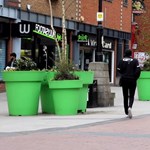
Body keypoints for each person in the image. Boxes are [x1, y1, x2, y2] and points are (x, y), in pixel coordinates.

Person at [117, 49, 141, 119]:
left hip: (124, 79)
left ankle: (126, 111)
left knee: (125, 95)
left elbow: (118, 69)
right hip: (132, 80)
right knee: (131, 95)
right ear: (131, 54)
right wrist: (135, 77)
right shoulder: (135, 61)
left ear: (125, 53)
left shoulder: (121, 61)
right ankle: (130, 107)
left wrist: (123, 74)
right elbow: (138, 70)